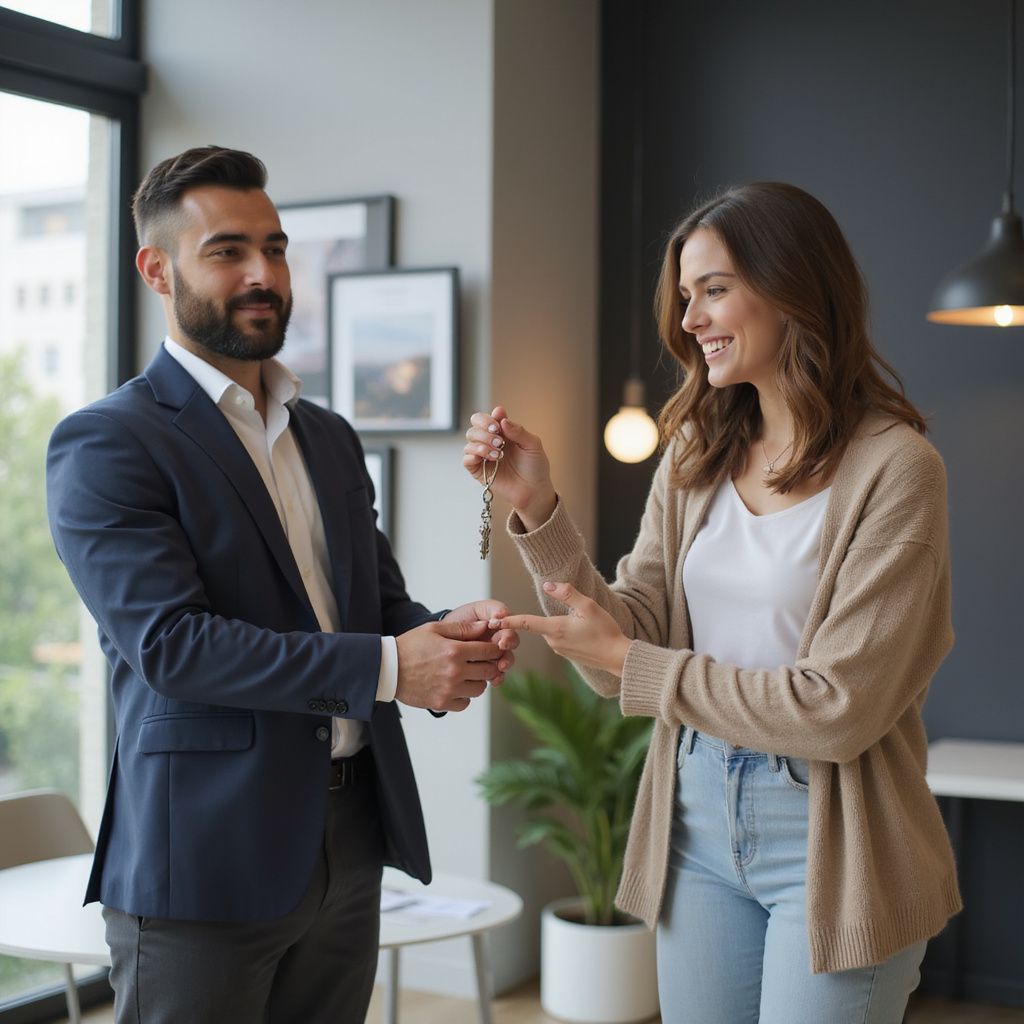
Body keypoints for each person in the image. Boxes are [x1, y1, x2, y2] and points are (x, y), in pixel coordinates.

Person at [463, 182, 961, 1023]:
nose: (690, 319)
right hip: (692, 816)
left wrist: (634, 664)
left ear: (795, 284)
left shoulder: (898, 470)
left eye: (715, 289)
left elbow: (837, 709)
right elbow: (632, 646)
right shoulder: (697, 448)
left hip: (832, 835)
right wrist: (539, 510)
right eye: (685, 297)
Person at [47, 145, 517, 1024]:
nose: (263, 274)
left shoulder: (329, 436)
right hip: (203, 861)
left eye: (275, 246)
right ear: (157, 269)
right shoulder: (107, 442)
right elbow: (171, 647)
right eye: (227, 251)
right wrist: (389, 666)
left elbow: (374, 608)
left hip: (349, 843)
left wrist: (450, 637)